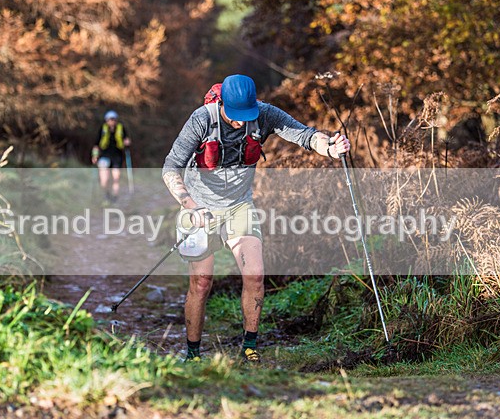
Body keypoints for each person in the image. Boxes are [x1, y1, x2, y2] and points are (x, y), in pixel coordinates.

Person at [162, 74, 350, 363]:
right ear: (222, 103)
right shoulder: (202, 119)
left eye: (245, 116)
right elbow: (170, 167)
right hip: (199, 208)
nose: (240, 122)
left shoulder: (263, 114)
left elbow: (304, 135)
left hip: (239, 206)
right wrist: (189, 205)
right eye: (235, 116)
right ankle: (193, 353)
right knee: (201, 283)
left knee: (255, 276)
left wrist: (330, 148)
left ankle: (250, 348)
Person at [91, 110, 131, 203]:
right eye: (110, 119)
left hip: (117, 156)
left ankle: (115, 197)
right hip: (104, 156)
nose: (112, 121)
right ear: (106, 120)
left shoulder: (121, 128)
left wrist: (127, 143)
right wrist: (94, 155)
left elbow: (127, 140)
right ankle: (106, 194)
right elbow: (96, 144)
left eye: (113, 119)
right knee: (104, 179)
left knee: (116, 178)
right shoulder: (102, 129)